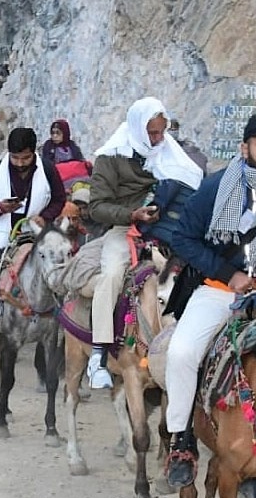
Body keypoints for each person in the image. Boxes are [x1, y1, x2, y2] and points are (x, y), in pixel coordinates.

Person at [163, 110, 256, 488]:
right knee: (181, 352)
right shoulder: (214, 188)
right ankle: (181, 439)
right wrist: (229, 274)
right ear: (245, 148)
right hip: (219, 290)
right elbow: (183, 239)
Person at [87, 97, 203, 388]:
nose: (158, 139)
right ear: (138, 129)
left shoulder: (168, 153)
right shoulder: (110, 157)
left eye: (162, 132)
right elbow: (96, 207)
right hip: (123, 228)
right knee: (111, 276)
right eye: (152, 133)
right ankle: (98, 355)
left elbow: (188, 180)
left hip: (162, 231)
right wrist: (131, 214)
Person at [0, 127, 66, 360]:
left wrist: (45, 216)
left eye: (25, 158)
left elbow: (59, 199)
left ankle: (65, 328)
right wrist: (0, 208)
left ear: (33, 153)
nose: (19, 163)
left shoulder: (47, 168)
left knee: (61, 268)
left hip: (37, 236)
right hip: (4, 235)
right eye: (15, 158)